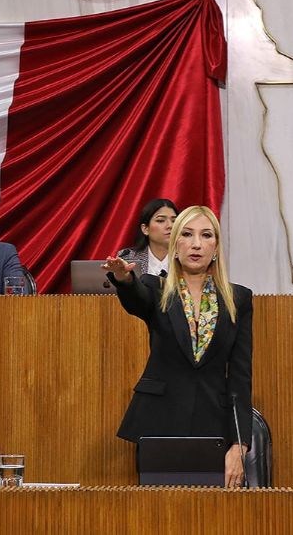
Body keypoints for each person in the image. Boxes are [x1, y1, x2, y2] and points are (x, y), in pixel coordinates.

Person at [102, 205, 253, 488]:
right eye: (187, 234)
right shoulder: (156, 288)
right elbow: (137, 298)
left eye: (206, 235)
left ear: (216, 246)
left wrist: (240, 444)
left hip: (214, 426)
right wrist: (123, 278)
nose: (196, 244)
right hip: (159, 422)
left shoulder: (239, 298)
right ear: (175, 244)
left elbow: (241, 378)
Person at [117, 198, 179, 277]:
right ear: (145, 229)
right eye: (161, 220)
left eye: (174, 221)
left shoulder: (187, 257)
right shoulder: (127, 257)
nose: (170, 226)